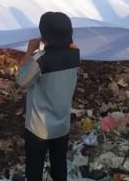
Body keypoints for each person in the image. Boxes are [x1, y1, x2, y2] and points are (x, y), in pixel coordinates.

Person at [16, 12, 80, 181]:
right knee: (59, 164)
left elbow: (22, 80)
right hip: (62, 123)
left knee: (34, 169)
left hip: (39, 127)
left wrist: (29, 51)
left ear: (44, 36)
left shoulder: (40, 60)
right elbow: (70, 46)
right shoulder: (75, 55)